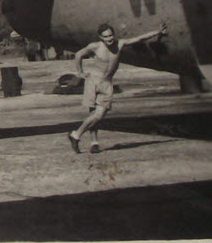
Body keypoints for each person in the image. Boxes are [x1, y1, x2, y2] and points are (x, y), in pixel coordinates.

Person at [68, 22, 167, 153]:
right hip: (93, 81)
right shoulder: (95, 46)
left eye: (110, 35)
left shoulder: (120, 44)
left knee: (98, 115)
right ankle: (94, 142)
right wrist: (80, 72)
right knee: (93, 113)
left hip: (107, 83)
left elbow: (139, 38)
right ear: (100, 37)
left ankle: (75, 134)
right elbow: (78, 55)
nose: (109, 39)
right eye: (106, 36)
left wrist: (157, 32)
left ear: (113, 35)